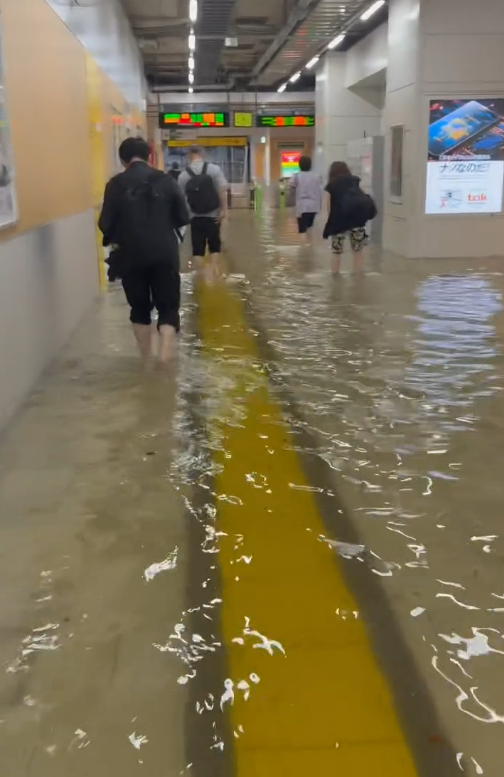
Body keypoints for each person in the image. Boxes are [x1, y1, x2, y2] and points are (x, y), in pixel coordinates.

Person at [98, 137, 190, 364]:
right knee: (168, 306)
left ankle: (146, 361)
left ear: (122, 159)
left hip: (131, 255)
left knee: (139, 308)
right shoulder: (166, 180)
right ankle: (165, 360)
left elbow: (105, 223)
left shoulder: (115, 185)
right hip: (164, 252)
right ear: (150, 156)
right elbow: (183, 217)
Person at [178, 146, 228, 270]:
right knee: (214, 246)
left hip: (195, 217)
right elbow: (222, 191)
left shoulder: (183, 175)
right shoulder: (214, 170)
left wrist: (185, 217)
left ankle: (201, 277)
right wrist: (224, 211)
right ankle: (214, 272)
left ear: (189, 155)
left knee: (198, 250)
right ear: (202, 153)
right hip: (214, 215)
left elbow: (181, 198)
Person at [323, 161, 376, 274]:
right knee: (358, 251)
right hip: (356, 221)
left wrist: (330, 221)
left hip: (338, 223)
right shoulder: (354, 181)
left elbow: (329, 206)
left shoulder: (332, 184)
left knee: (337, 252)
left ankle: (335, 276)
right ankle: (358, 275)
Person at [288, 155, 322, 244]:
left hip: (302, 207)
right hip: (314, 206)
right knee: (310, 227)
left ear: (299, 165)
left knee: (302, 230)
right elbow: (319, 191)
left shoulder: (296, 176)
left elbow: (291, 188)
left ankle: (303, 250)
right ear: (310, 165)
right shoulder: (316, 176)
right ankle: (310, 246)